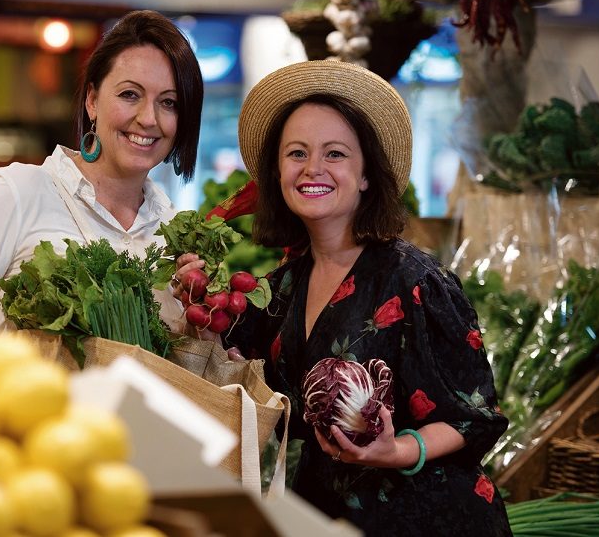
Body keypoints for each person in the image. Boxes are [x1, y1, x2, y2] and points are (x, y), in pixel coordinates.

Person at [174, 60, 511, 536]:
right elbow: (230, 356)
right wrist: (194, 293)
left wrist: (395, 450)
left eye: (335, 154)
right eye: (296, 153)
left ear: (367, 174)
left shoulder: (418, 282)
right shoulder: (285, 284)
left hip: (421, 521)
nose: (313, 168)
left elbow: (474, 418)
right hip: (323, 520)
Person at [0, 9, 203, 332]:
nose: (148, 118)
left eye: (169, 102)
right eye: (129, 94)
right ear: (92, 100)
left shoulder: (171, 233)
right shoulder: (15, 194)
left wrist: (199, 321)